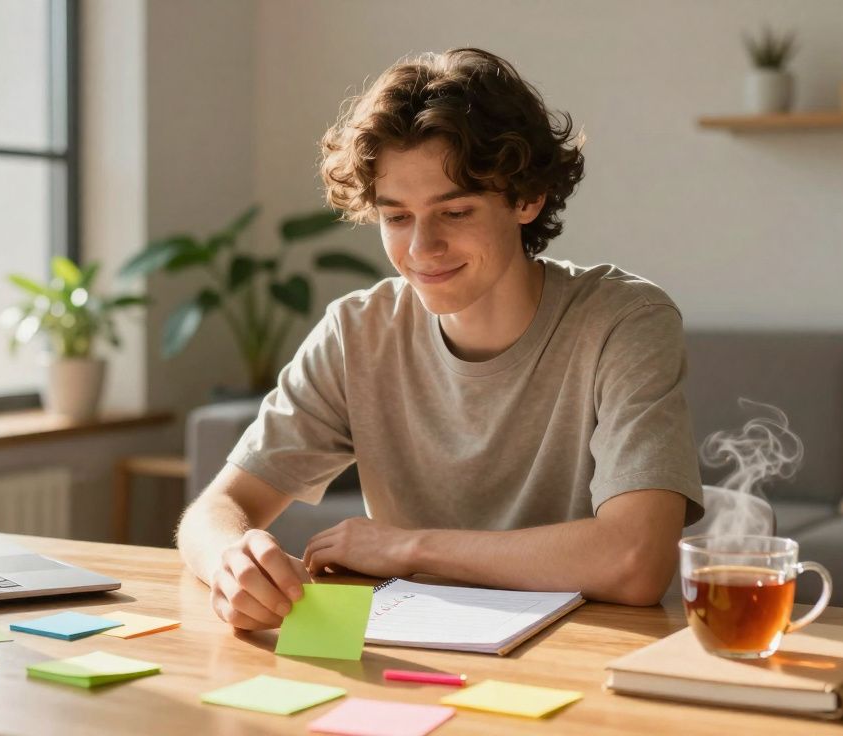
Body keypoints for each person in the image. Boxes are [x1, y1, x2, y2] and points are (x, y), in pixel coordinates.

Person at [177, 48, 704, 631]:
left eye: (454, 212)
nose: (421, 250)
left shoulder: (624, 320)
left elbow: (635, 560)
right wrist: (232, 559)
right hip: (411, 647)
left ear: (527, 199)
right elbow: (217, 509)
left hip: (584, 652)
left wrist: (408, 548)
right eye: (397, 217)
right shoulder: (358, 331)